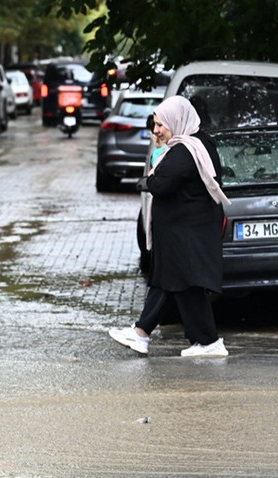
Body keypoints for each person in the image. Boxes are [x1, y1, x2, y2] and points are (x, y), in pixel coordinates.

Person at [110, 95, 231, 358]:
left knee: (175, 282)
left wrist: (151, 173)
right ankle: (204, 341)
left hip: (184, 233)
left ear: (176, 121)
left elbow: (160, 184)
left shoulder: (184, 150)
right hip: (185, 231)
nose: (156, 131)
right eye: (155, 125)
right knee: (177, 283)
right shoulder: (199, 144)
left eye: (161, 125)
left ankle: (146, 333)